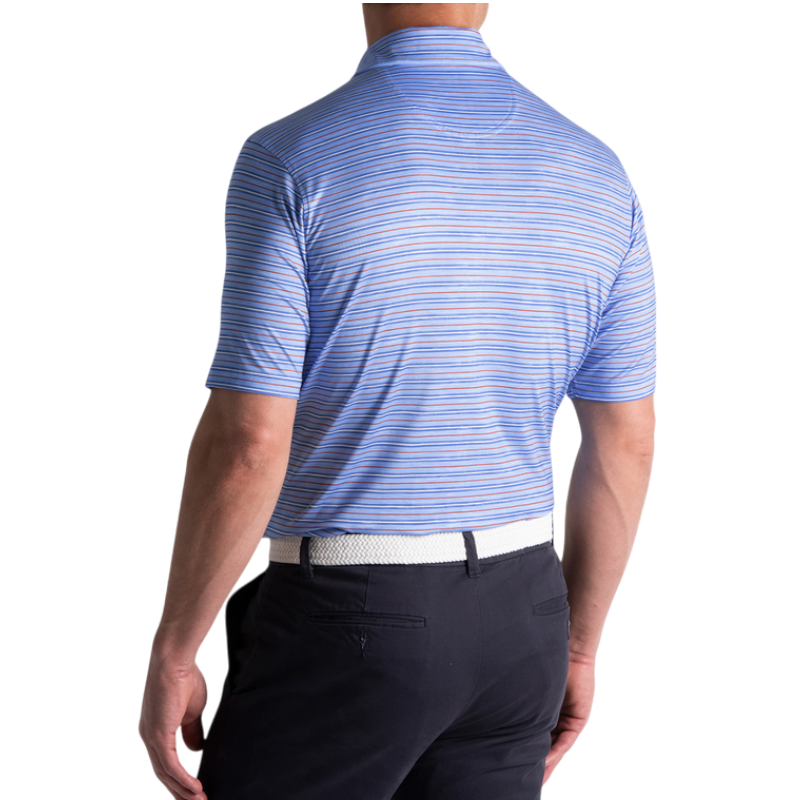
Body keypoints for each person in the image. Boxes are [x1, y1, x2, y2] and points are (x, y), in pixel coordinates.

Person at [138, 4, 657, 799]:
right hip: (524, 619)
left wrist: (177, 651)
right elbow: (626, 437)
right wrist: (579, 647)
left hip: (350, 616)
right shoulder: (597, 169)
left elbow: (249, 441)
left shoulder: (292, 157)